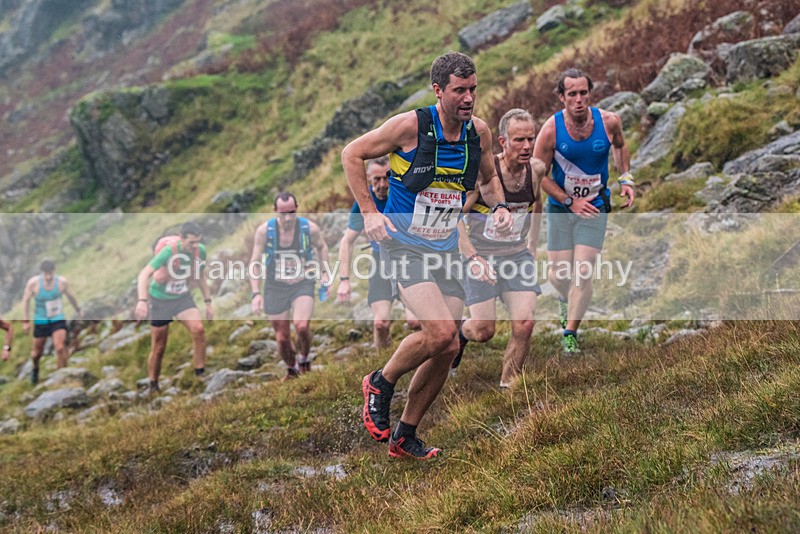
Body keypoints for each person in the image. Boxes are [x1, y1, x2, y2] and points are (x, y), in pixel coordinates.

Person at [342, 51, 512, 459]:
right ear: (438, 90)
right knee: (438, 332)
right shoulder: (410, 126)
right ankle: (380, 382)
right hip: (403, 245)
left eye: (473, 89)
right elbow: (351, 153)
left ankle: (405, 436)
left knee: (449, 346)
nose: (468, 98)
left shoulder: (479, 133)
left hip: (445, 248)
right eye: (459, 90)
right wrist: (369, 213)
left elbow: (489, 179)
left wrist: (501, 207)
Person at [532, 68, 635, 353]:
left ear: (589, 93)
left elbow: (621, 146)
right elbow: (538, 175)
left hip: (595, 207)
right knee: (558, 275)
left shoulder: (609, 122)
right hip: (561, 209)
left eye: (583, 93)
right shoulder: (551, 130)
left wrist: (626, 179)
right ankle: (565, 299)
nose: (578, 99)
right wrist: (569, 201)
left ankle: (570, 333)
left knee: (583, 271)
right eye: (572, 94)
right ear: (561, 97)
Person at [454, 108, 545, 388]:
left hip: (517, 256)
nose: (527, 146)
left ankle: (508, 386)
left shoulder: (536, 170)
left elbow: (537, 205)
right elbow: (453, 218)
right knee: (483, 331)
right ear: (503, 141)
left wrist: (532, 245)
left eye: (531, 139)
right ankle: (460, 333)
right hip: (482, 256)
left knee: (525, 324)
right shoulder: (484, 172)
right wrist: (472, 257)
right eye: (519, 140)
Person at [336, 156, 420, 349]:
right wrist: (344, 280)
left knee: (415, 321)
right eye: (377, 179)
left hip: (408, 260)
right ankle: (382, 362)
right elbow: (347, 241)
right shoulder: (364, 203)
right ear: (368, 178)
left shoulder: (403, 195)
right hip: (380, 263)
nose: (382, 185)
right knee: (380, 323)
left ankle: (424, 356)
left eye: (387, 178)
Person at [249, 192, 330, 380]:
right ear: (275, 210)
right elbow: (255, 262)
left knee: (301, 326)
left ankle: (304, 359)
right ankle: (292, 369)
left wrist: (325, 272)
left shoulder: (309, 229)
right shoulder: (264, 232)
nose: (287, 218)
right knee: (282, 338)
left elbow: (322, 247)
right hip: (275, 286)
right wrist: (255, 293)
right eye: (283, 213)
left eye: (291, 213)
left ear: (297, 209)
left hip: (302, 282)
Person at [134, 221, 213, 393]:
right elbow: (144, 274)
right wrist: (142, 301)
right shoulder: (169, 252)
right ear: (181, 238)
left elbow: (200, 276)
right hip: (160, 300)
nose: (195, 246)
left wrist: (208, 302)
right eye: (191, 242)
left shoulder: (200, 251)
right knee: (159, 346)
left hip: (182, 298)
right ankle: (153, 384)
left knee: (199, 330)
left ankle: (200, 374)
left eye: (197, 242)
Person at [21, 260, 81, 384]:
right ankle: (35, 368)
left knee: (60, 347)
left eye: (50, 273)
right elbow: (26, 301)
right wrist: (25, 321)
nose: (48, 277)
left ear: (54, 271)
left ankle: (62, 375)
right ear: (41, 273)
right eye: (46, 274)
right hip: (41, 320)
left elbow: (71, 296)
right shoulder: (34, 283)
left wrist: (78, 310)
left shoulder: (62, 282)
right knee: (36, 353)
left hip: (57, 319)